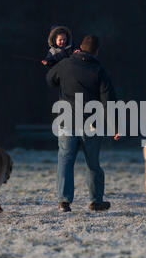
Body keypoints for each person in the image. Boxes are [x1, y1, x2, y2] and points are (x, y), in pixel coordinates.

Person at [46, 34, 120, 212]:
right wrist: (115, 126)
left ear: (79, 47)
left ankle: (64, 201)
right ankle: (96, 201)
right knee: (93, 163)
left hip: (65, 121)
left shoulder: (65, 64)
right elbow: (108, 100)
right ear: (96, 51)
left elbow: (50, 80)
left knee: (65, 161)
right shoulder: (98, 70)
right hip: (91, 124)